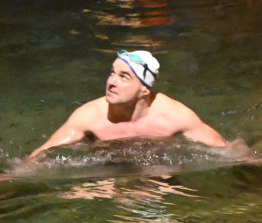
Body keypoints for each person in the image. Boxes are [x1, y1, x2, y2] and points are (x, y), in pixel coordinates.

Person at [29, 50, 226, 158]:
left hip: (157, 172)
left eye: (124, 77)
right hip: (105, 171)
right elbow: (43, 152)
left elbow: (225, 148)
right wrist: (8, 177)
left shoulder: (174, 115)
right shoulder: (89, 116)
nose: (112, 82)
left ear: (144, 90)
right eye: (112, 73)